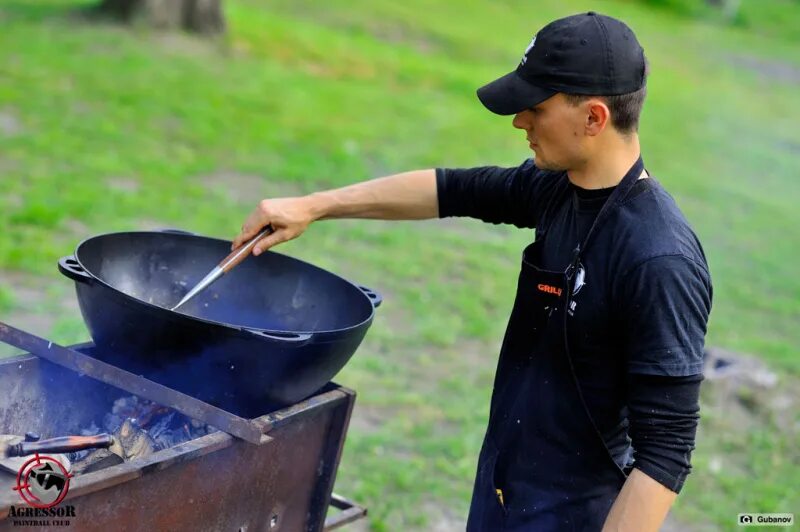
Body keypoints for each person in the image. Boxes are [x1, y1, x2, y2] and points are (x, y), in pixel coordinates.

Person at [232, 12, 712, 531]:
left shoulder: (659, 258)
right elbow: (452, 189)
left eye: (536, 108)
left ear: (594, 118)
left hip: (576, 516)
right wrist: (314, 206)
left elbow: (664, 455)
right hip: (504, 492)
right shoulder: (560, 189)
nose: (519, 122)